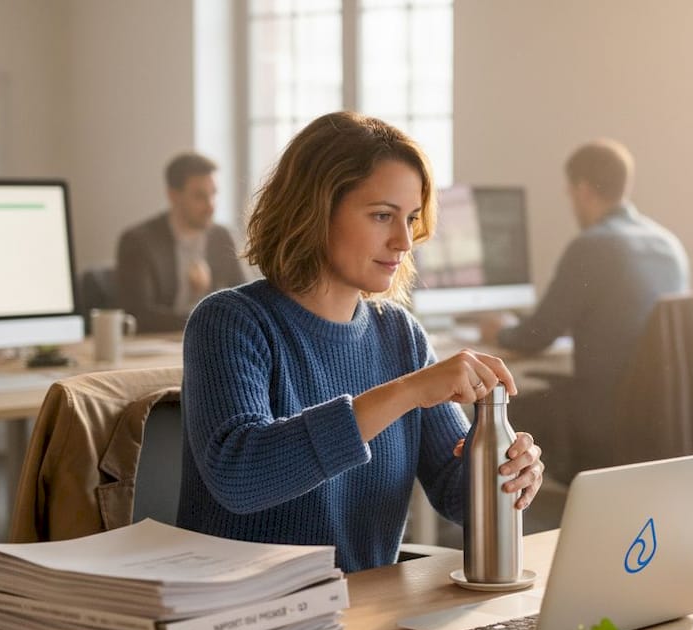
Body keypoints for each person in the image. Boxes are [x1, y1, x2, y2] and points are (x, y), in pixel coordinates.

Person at [176, 111, 544, 572]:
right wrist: (407, 391)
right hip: (247, 622)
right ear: (314, 210)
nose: (404, 241)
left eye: (410, 219)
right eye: (382, 216)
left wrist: (506, 472)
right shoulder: (230, 322)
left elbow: (455, 494)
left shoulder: (401, 336)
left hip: (368, 614)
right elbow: (241, 476)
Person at [480, 139, 689, 473]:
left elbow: (537, 335)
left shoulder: (593, 245)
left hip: (604, 410)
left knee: (490, 409)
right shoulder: (668, 244)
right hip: (658, 413)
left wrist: (500, 331)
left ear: (581, 190)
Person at [116, 152, 247, 333]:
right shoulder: (138, 242)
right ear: (173, 196)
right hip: (159, 345)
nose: (211, 206)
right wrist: (208, 317)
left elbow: (245, 299)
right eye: (200, 196)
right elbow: (139, 314)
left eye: (213, 194)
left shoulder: (221, 236)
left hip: (210, 340)